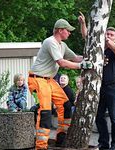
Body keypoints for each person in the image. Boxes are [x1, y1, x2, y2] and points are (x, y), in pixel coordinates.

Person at [28, 18, 92, 149]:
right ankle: (40, 146)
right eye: (68, 30)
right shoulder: (50, 42)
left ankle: (61, 139)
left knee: (66, 105)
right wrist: (82, 65)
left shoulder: (62, 45)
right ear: (60, 30)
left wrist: (94, 60)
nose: (69, 33)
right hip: (38, 79)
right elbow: (62, 63)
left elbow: (75, 58)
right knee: (45, 112)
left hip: (49, 80)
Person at [79, 12, 115, 150]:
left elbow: (114, 48)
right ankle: (104, 143)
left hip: (112, 87)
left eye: (111, 35)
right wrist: (83, 23)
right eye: (107, 34)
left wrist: (104, 37)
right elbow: (87, 37)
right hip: (99, 87)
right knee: (99, 117)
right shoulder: (98, 49)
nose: (108, 36)